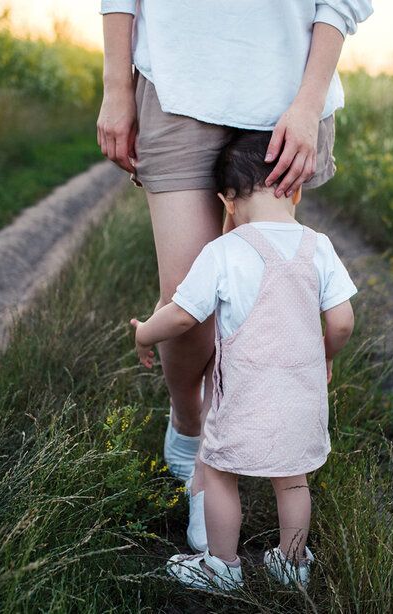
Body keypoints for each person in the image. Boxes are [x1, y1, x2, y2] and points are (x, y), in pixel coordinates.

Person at [99, 0, 373, 555]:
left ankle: (213, 483)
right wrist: (116, 85)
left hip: (287, 89)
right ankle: (190, 425)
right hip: (175, 79)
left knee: (260, 297)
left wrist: (309, 100)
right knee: (187, 298)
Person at [129, 130, 357, 590]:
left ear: (227, 201)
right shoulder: (319, 246)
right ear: (293, 189)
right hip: (300, 397)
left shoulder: (223, 251)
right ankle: (292, 564)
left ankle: (222, 566)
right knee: (293, 480)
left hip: (240, 397)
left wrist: (144, 334)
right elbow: (343, 322)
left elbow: (180, 316)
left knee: (216, 472)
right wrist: (326, 356)